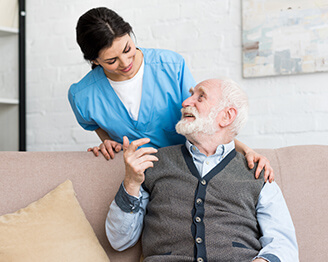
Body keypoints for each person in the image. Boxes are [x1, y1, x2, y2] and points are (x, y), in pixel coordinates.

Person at [68, 7, 273, 181]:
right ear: (94, 61)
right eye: (111, 61)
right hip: (140, 178)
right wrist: (107, 141)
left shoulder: (171, 66)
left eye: (127, 48)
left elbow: (204, 121)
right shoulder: (83, 95)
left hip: (187, 171)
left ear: (130, 35)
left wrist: (246, 150)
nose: (125, 63)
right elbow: (94, 124)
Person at [106, 79, 299, 262]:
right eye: (191, 95)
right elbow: (119, 241)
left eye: (200, 97)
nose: (185, 102)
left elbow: (283, 244)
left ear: (226, 116)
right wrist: (130, 183)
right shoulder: (154, 163)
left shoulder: (258, 173)